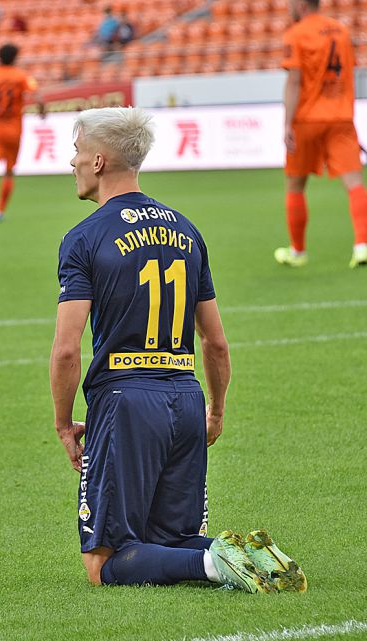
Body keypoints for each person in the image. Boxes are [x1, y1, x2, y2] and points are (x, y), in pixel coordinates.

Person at [49, 107, 307, 592]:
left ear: (99, 161)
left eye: (77, 151)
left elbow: (66, 350)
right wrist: (216, 410)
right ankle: (253, 558)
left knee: (103, 565)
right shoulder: (186, 231)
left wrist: (64, 424)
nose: (72, 162)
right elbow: (216, 342)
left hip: (126, 401)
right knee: (174, 537)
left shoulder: (84, 238)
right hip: (186, 398)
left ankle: (215, 565)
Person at [276, 0, 367, 269]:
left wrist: (287, 124)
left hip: (307, 118)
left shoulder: (296, 34)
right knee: (354, 182)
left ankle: (298, 252)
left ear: (301, 5)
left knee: (295, 185)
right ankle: (361, 246)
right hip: (341, 117)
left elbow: (294, 81)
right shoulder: (341, 31)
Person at [0, 43, 44, 222]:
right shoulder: (21, 75)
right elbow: (36, 94)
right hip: (15, 130)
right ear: (15, 58)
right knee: (9, 172)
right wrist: (42, 110)